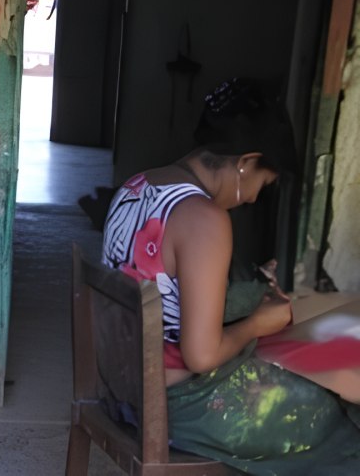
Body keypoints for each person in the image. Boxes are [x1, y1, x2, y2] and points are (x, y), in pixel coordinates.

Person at [102, 77, 360, 474]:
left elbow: (163, 285)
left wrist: (245, 288)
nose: (255, 197)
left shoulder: (139, 184)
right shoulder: (206, 219)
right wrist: (258, 322)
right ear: (245, 162)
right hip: (174, 404)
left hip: (121, 384)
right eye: (262, 183)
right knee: (328, 418)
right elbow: (201, 356)